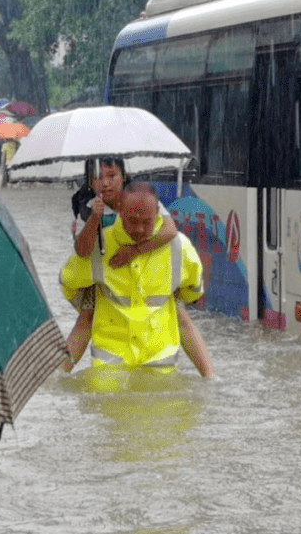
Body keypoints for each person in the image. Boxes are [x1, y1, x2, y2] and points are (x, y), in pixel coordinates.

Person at [62, 158, 214, 377]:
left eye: (112, 176)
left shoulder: (141, 198)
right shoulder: (85, 205)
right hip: (104, 269)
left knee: (177, 312)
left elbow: (169, 230)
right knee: (88, 315)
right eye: (98, 178)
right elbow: (82, 251)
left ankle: (210, 375)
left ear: (123, 177)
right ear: (89, 182)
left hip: (143, 261)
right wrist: (95, 218)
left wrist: (135, 251)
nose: (105, 183)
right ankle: (58, 372)